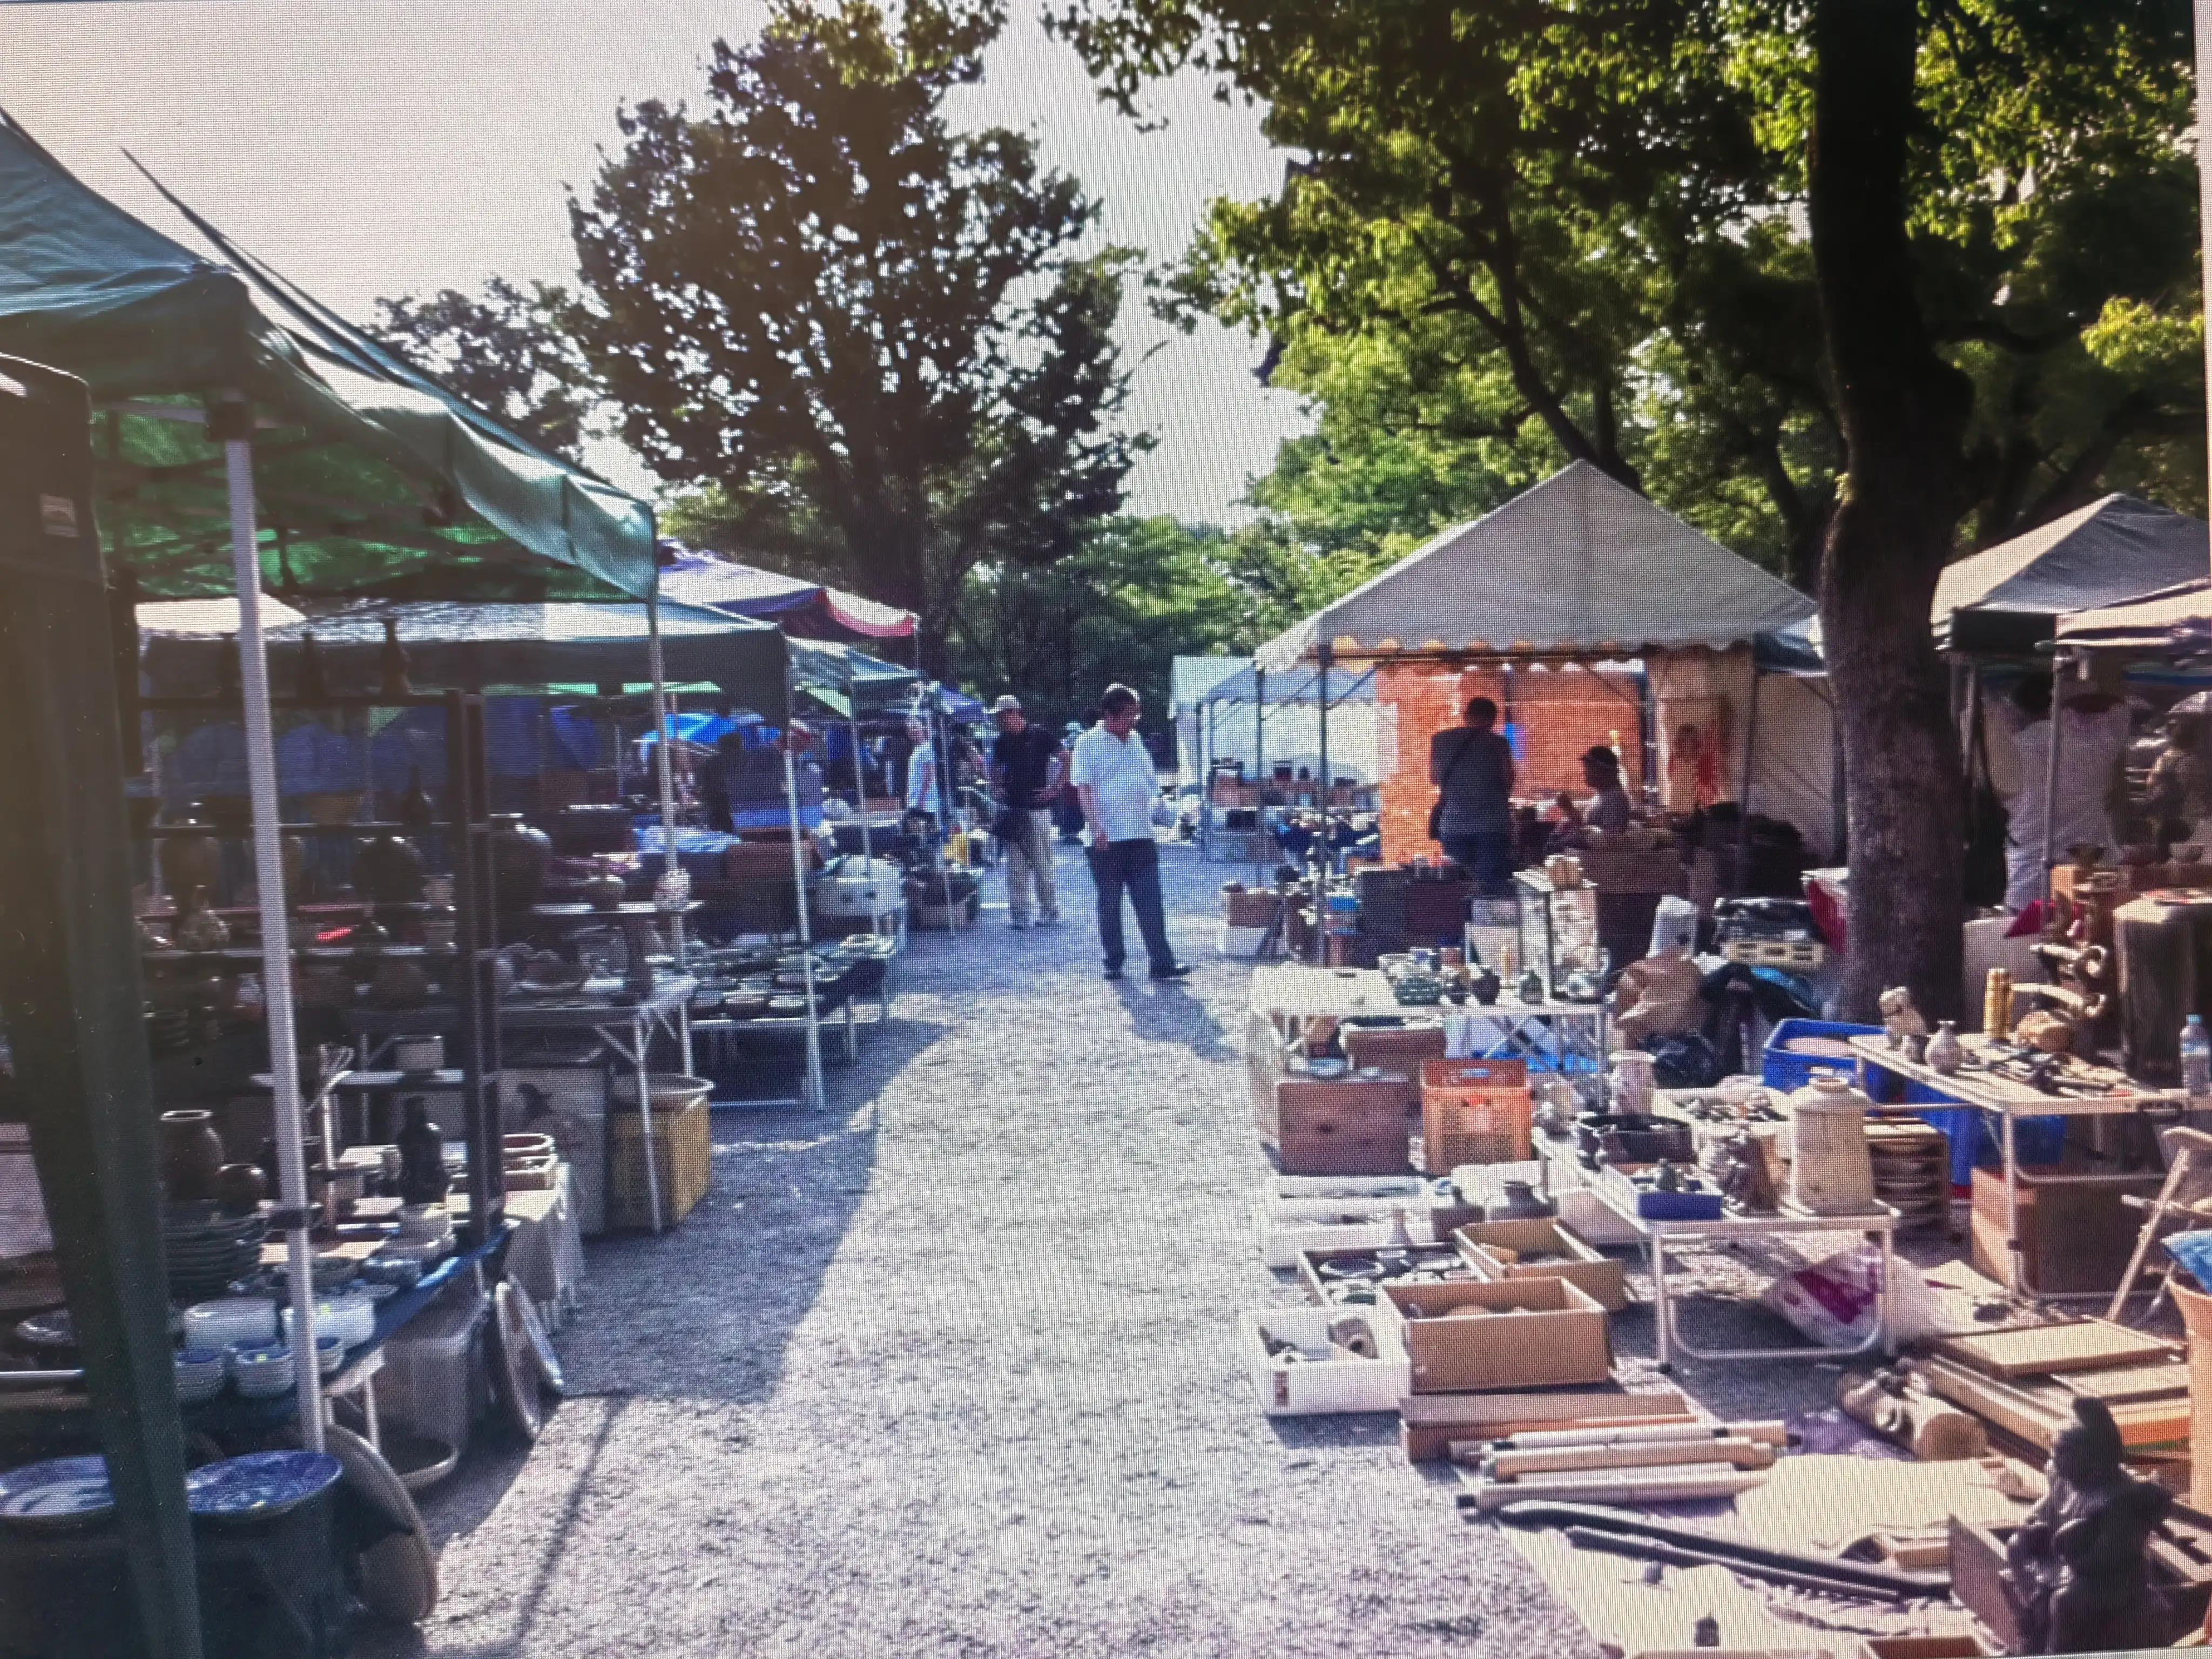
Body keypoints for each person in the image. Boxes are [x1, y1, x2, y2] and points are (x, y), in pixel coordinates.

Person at [1070, 683, 1188, 981]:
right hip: (1106, 838)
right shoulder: (1088, 743)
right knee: (1110, 903)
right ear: (1109, 715)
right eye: (1129, 715)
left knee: (1151, 901)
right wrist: (1096, 828)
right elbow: (1083, 789)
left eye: (1137, 715)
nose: (1135, 721)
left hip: (1140, 835)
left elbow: (1151, 787)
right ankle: (1114, 959)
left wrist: (1172, 815)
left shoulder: (1136, 740)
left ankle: (1161, 963)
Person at [2001, 671, 2130, 912]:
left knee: (2032, 947)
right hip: (2093, 883)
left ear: (2018, 711)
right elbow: (2120, 709)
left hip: (2030, 886)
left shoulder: (2013, 753)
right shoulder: (2093, 745)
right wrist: (2070, 701)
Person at [988, 693, 1063, 929]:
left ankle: (1049, 910)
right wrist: (997, 785)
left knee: (1042, 863)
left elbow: (1066, 758)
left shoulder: (1040, 735)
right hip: (1014, 810)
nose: (999, 721)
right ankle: (1019, 913)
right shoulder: (1002, 742)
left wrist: (1057, 788)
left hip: (1037, 810)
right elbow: (995, 768)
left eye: (1001, 716)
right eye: (998, 718)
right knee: (1016, 866)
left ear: (1014, 713)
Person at [1429, 696, 1517, 894]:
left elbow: (1434, 778)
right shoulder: (1499, 743)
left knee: (1460, 884)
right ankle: (1490, 921)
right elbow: (1508, 781)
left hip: (1454, 825)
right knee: (1490, 886)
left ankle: (1461, 921)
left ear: (1466, 715)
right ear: (1493, 719)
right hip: (1492, 825)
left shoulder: (1440, 740)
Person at [1580, 745, 1634, 834]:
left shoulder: (1615, 800)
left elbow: (1609, 839)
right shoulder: (1602, 795)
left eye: (1590, 768)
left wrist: (1571, 813)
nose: (1585, 772)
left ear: (1605, 772)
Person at [902, 714, 940, 835]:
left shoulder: (927, 749)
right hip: (915, 801)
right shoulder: (916, 750)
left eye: (914, 728)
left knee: (924, 836)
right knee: (911, 834)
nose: (912, 732)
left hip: (925, 803)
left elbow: (930, 775)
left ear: (922, 728)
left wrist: (922, 800)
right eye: (909, 729)